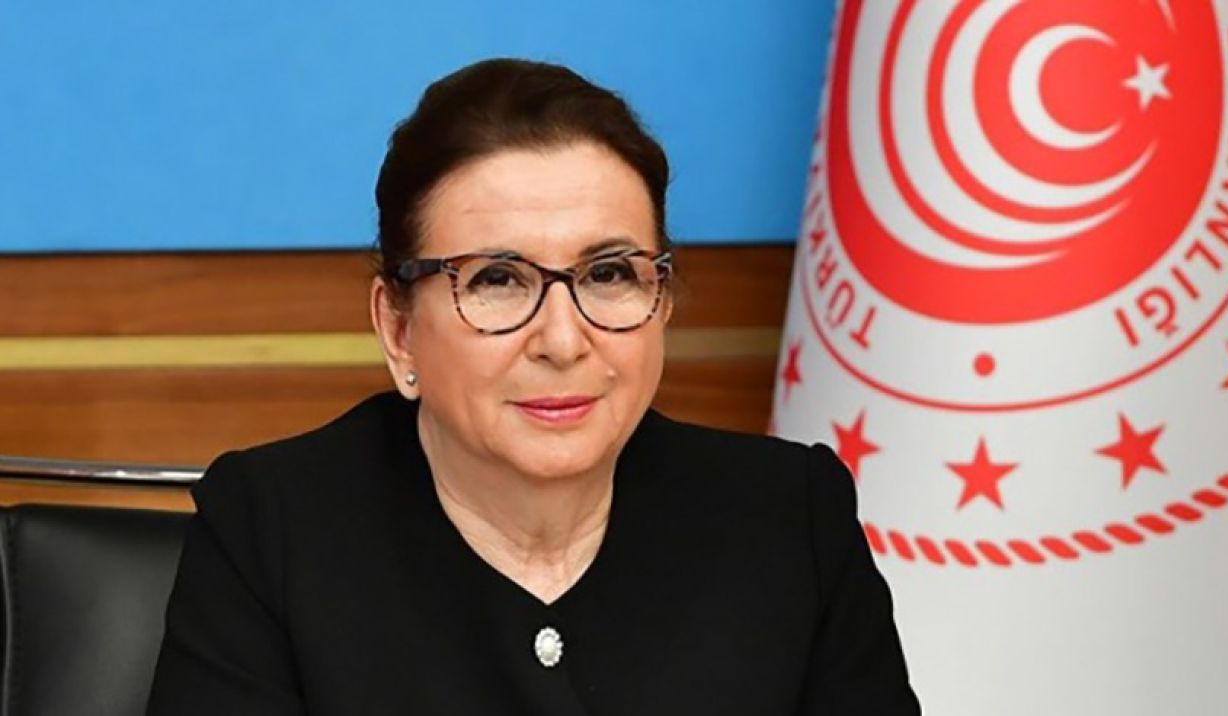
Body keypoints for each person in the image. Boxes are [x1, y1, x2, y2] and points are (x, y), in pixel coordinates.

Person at [146, 58, 920, 715]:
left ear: (663, 301)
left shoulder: (788, 520)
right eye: (497, 280)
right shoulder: (273, 530)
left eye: (609, 274)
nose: (562, 341)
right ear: (399, 327)